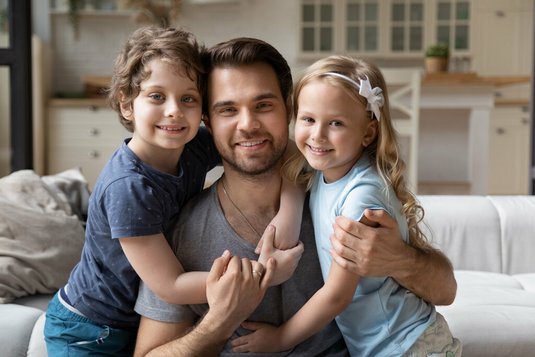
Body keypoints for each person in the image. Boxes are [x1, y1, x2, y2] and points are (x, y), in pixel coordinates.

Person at [133, 39, 457, 357]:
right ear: (208, 122)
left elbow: (446, 290)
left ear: (289, 111)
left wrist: (401, 259)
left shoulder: (337, 188)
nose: (248, 124)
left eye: (263, 105)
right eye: (228, 110)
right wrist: (220, 321)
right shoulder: (183, 232)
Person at [43, 27, 300, 357]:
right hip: (88, 326)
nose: (174, 111)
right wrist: (256, 276)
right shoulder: (129, 188)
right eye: (156, 96)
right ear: (125, 105)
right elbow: (170, 285)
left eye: (188, 98)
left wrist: (288, 213)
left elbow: (285, 149)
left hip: (133, 317)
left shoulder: (191, 146)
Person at [231, 55, 462, 356]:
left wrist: (280, 339)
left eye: (336, 123)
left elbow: (337, 296)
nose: (317, 135)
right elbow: (288, 147)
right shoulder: (327, 166)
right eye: (308, 119)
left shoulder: (361, 198)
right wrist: (288, 214)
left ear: (368, 132)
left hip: (406, 343)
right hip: (382, 344)